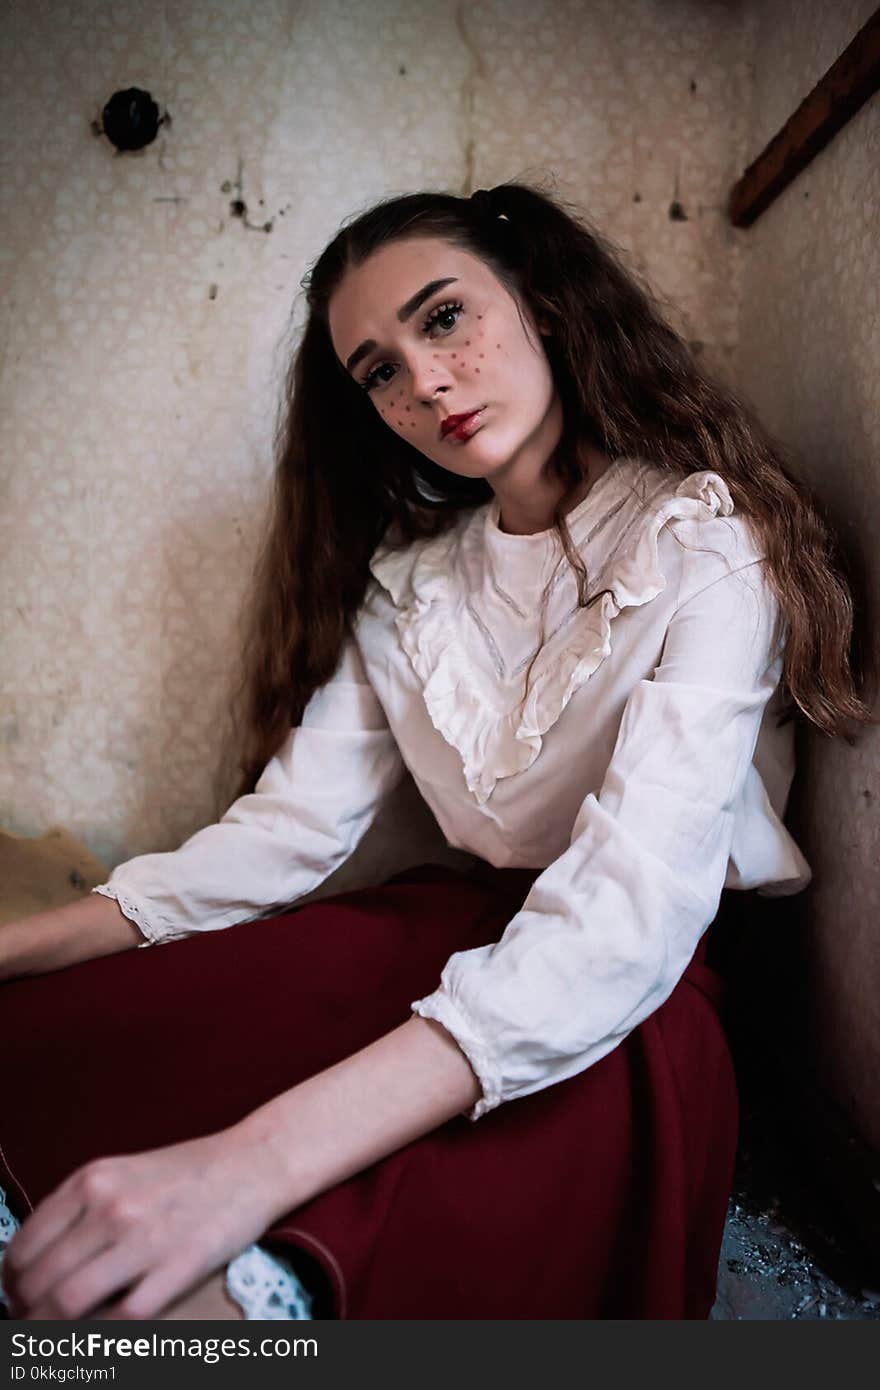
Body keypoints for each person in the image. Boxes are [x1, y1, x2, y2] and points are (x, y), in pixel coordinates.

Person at [0, 183, 868, 1322]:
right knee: (77, 1037)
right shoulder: (410, 584)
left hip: (634, 987)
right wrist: (20, 944)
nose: (423, 383)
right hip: (442, 924)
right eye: (377, 369)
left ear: (545, 305)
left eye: (444, 317)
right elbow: (282, 836)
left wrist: (243, 1169)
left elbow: (621, 919)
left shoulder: (706, 541)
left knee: (359, 1228)